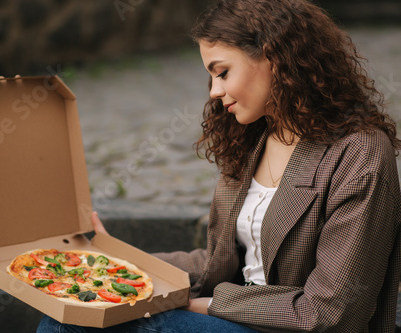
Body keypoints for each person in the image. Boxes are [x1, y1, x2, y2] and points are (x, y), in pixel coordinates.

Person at [37, 0, 401, 332]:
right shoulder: (256, 137)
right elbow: (219, 262)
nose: (213, 90)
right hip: (235, 312)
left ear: (275, 58)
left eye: (222, 72)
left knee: (99, 325)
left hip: (289, 326)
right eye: (211, 76)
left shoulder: (359, 153)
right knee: (66, 308)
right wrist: (120, 258)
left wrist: (208, 305)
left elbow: (332, 311)